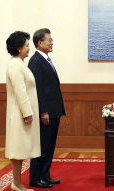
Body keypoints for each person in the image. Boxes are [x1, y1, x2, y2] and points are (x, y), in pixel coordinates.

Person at [28, 28, 66, 188]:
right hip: (46, 112)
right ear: (40, 42)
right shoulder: (35, 61)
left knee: (50, 145)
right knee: (42, 145)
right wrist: (43, 111)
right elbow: (38, 89)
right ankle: (36, 178)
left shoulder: (46, 59)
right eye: (49, 40)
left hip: (54, 110)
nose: (52, 43)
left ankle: (45, 175)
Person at [6, 31, 40, 191]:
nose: (29, 48)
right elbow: (20, 91)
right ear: (19, 48)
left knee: (20, 148)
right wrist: (27, 113)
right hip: (19, 114)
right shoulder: (15, 65)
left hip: (23, 113)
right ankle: (17, 183)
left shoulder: (19, 64)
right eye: (27, 45)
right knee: (17, 148)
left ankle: (18, 182)